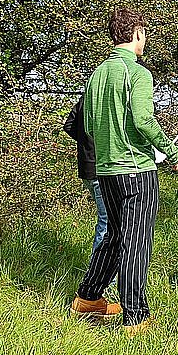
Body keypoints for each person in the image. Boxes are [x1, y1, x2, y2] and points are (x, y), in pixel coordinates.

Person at [69, 7, 178, 332]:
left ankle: (88, 299)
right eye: (144, 33)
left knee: (113, 236)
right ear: (137, 33)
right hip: (136, 172)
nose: (144, 39)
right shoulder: (138, 73)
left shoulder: (97, 74)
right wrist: (173, 152)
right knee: (136, 242)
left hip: (106, 171)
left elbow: (88, 126)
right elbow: (143, 120)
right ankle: (136, 317)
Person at [62, 96, 107, 253]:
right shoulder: (106, 98)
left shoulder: (85, 97)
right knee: (107, 221)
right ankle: (100, 267)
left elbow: (69, 125)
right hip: (102, 169)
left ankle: (108, 264)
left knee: (107, 219)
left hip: (86, 167)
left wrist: (86, 143)